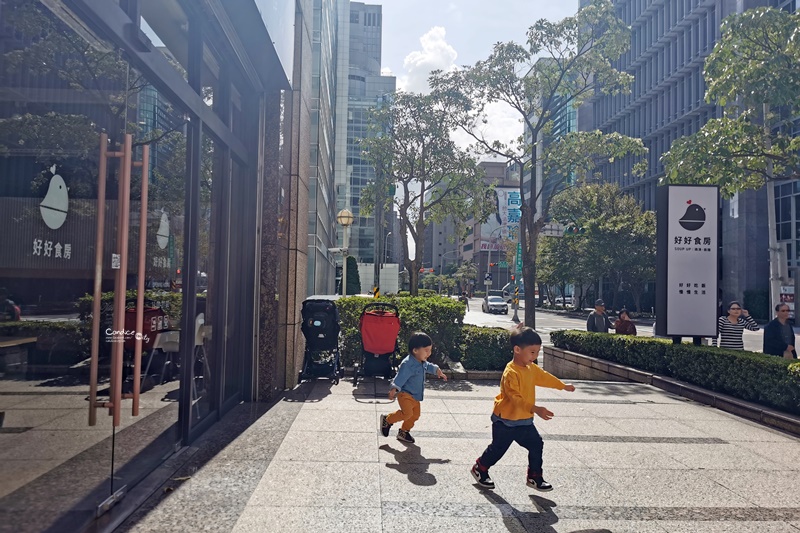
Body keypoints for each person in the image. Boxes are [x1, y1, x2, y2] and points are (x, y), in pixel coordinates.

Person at [470, 326, 575, 491]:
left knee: (536, 444)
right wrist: (536, 409)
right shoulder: (510, 373)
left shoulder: (530, 368)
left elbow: (544, 377)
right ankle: (480, 468)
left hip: (524, 421)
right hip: (505, 421)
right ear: (517, 349)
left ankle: (534, 477)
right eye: (532, 352)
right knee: (497, 449)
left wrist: (562, 386)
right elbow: (516, 399)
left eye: (537, 352)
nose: (535, 356)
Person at [380, 332, 447, 444]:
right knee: (407, 414)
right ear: (415, 350)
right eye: (426, 350)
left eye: (430, 350)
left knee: (415, 415)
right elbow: (400, 377)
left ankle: (404, 431)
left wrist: (437, 370)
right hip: (405, 394)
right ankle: (387, 420)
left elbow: (429, 366)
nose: (429, 353)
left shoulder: (422, 361)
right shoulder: (408, 364)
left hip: (415, 396)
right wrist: (394, 389)